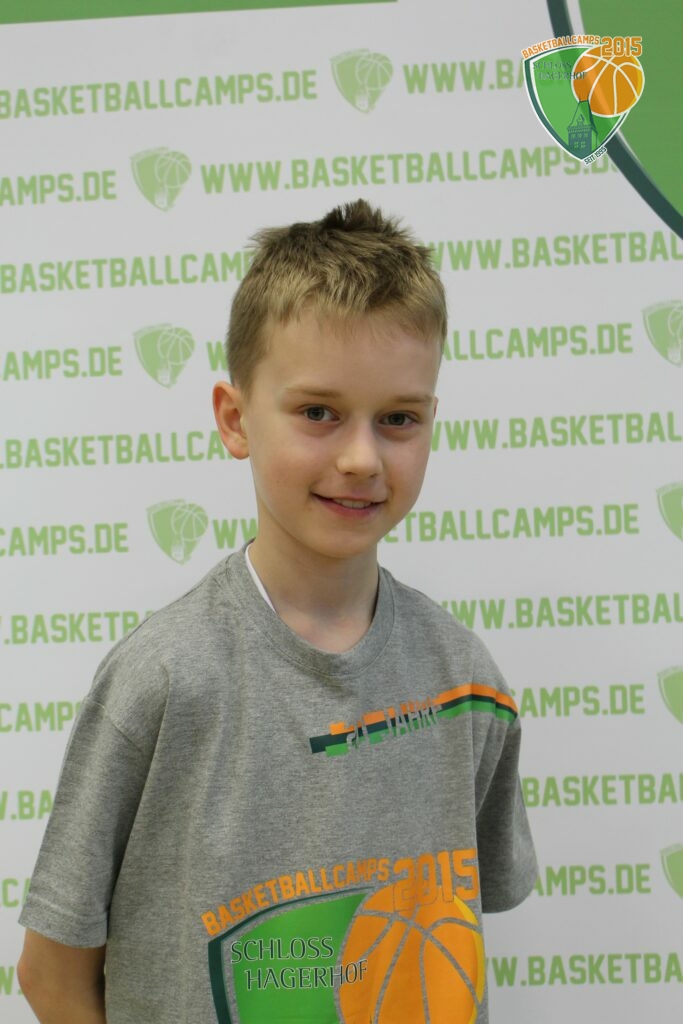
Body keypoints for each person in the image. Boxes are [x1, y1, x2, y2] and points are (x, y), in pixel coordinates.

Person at [18, 199, 537, 1024]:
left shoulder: (463, 679)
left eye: (398, 419)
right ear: (235, 420)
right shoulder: (161, 680)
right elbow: (52, 976)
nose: (361, 457)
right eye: (318, 413)